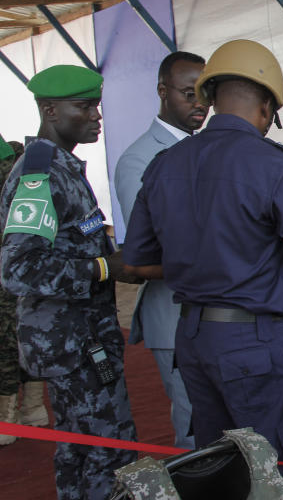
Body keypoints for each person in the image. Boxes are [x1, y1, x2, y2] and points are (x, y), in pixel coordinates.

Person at [123, 39, 283, 499]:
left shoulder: (164, 165)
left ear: (211, 97)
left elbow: (138, 260)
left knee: (224, 471)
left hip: (195, 341)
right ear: (266, 106)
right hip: (256, 344)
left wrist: (198, 261)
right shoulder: (272, 165)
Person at [0, 65, 137, 499]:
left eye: (95, 105)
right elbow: (18, 267)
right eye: (84, 107)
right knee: (108, 451)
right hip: (71, 344)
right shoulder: (38, 176)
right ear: (50, 110)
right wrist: (104, 268)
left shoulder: (63, 168)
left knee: (80, 450)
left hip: (82, 339)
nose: (96, 116)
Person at [113, 51, 208, 450]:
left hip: (219, 312)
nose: (200, 105)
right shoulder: (138, 160)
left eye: (206, 95)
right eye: (189, 94)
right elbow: (151, 250)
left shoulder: (209, 150)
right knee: (196, 427)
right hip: (174, 316)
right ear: (162, 92)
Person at [1, 135, 49, 446]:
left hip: (8, 267)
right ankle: (34, 408)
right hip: (26, 267)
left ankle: (6, 418)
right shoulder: (20, 167)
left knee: (4, 338)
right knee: (23, 333)